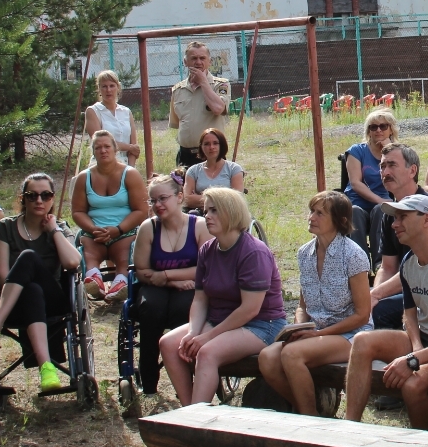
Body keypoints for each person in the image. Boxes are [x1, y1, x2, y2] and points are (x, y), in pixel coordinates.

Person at [344, 193, 428, 430]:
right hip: (423, 341)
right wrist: (416, 348)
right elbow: (410, 313)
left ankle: (422, 443)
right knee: (362, 341)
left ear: (427, 220)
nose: (394, 224)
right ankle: (350, 428)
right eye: (395, 218)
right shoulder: (409, 260)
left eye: (402, 217)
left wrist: (414, 359)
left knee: (412, 385)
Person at [159, 187, 286, 405]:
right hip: (220, 319)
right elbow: (200, 299)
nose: (206, 216)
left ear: (231, 212)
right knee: (169, 343)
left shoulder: (253, 252)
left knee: (207, 352)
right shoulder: (207, 249)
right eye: (205, 211)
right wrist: (192, 332)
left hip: (262, 324)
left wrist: (207, 337)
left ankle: (196, 419)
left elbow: (250, 309)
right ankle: (190, 409)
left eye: (214, 211)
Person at [0, 173, 81, 393]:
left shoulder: (59, 228)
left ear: (53, 199)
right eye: (31, 195)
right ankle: (46, 368)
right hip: (13, 302)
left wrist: (53, 231)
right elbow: (1, 276)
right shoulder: (6, 227)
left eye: (46, 195)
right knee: (31, 289)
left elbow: (73, 262)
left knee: (28, 257)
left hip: (52, 301)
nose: (39, 201)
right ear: (22, 199)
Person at [259, 191, 372, 415]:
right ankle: (316, 410)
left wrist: (320, 334)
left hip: (350, 334)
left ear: (340, 221)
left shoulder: (353, 255)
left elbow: (362, 314)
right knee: (267, 358)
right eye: (311, 211)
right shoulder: (304, 253)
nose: (312, 217)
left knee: (292, 354)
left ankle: (308, 420)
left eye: (320, 213)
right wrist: (299, 327)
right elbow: (303, 305)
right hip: (316, 333)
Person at [131, 173, 208, 395]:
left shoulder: (199, 226)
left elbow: (207, 268)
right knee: (150, 309)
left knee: (183, 310)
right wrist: (171, 280)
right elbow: (142, 271)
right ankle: (149, 381)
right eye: (153, 200)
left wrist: (165, 274)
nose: (158, 205)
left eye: (163, 198)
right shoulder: (148, 228)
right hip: (156, 287)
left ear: (179, 197)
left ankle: (186, 379)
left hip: (192, 287)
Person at [369, 143, 428, 330]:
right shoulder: (389, 212)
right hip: (405, 288)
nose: (385, 172)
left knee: (380, 310)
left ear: (412, 171)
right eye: (382, 166)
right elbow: (387, 267)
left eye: (392, 165)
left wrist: (376, 296)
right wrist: (374, 295)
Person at [71, 130, 147, 303]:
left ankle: (121, 281)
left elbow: (141, 210)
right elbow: (77, 211)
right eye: (98, 148)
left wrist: (118, 230)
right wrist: (92, 228)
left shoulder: (130, 174)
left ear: (115, 149)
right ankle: (93, 279)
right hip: (94, 231)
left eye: (107, 146)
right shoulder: (84, 178)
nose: (103, 150)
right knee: (88, 248)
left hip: (124, 230)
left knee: (124, 254)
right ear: (93, 152)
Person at [169, 40, 231, 167]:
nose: (198, 62)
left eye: (202, 58)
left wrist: (203, 82)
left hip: (211, 154)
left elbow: (218, 109)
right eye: (194, 58)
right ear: (186, 62)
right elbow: (176, 123)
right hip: (185, 155)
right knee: (183, 187)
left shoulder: (220, 85)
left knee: (212, 188)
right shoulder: (178, 90)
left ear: (209, 61)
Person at [344, 108, 398, 214]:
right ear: (369, 131)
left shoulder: (399, 152)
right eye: (374, 127)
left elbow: (402, 178)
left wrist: (389, 149)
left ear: (391, 130)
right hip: (356, 201)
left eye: (383, 126)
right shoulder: (356, 151)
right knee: (356, 212)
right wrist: (379, 201)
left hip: (383, 201)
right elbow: (355, 183)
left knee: (381, 210)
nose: (378, 130)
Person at [182, 127, 245, 210]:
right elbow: (186, 199)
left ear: (221, 145)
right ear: (201, 147)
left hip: (227, 215)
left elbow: (237, 199)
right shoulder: (193, 171)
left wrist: (200, 198)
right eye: (207, 144)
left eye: (215, 143)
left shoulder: (234, 169)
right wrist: (222, 198)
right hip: (199, 215)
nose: (211, 147)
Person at [85, 70, 140, 165]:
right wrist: (129, 147)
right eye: (104, 86)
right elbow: (100, 142)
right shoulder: (93, 111)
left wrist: (130, 169)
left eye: (111, 86)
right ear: (99, 89)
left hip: (125, 165)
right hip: (103, 165)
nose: (108, 90)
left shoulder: (126, 112)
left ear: (118, 88)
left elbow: (134, 148)